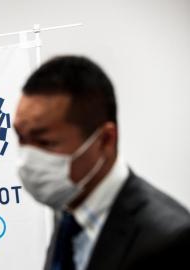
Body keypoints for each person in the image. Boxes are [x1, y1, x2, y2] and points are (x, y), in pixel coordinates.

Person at [14, 56, 190, 270]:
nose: (28, 157)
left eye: (46, 142)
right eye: (21, 138)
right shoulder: (69, 215)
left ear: (105, 140)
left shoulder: (171, 240)